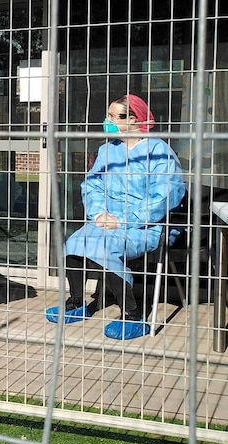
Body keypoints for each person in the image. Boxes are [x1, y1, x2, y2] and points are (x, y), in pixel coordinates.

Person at [45, 94, 186, 340]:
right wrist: (99, 213)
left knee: (107, 246)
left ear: (133, 119)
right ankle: (76, 302)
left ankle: (132, 315)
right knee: (75, 243)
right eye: (108, 115)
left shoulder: (159, 152)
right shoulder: (108, 150)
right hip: (107, 219)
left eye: (114, 116)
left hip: (146, 224)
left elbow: (166, 195)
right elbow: (92, 184)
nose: (108, 121)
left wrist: (125, 219)